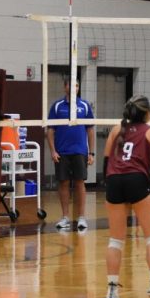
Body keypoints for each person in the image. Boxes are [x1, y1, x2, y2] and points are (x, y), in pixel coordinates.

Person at [102, 95, 150, 298]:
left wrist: (110, 187)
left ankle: (112, 290)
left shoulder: (116, 130)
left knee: (116, 240)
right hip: (136, 180)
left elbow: (106, 162)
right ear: (147, 113)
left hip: (114, 181)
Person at [47, 78, 94, 231]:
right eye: (71, 85)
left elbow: (90, 130)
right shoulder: (57, 106)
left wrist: (91, 152)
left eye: (77, 85)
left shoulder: (85, 106)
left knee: (80, 182)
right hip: (62, 151)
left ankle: (81, 218)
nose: (74, 87)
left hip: (80, 151)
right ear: (65, 87)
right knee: (64, 183)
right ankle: (65, 217)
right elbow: (50, 131)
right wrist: (53, 151)